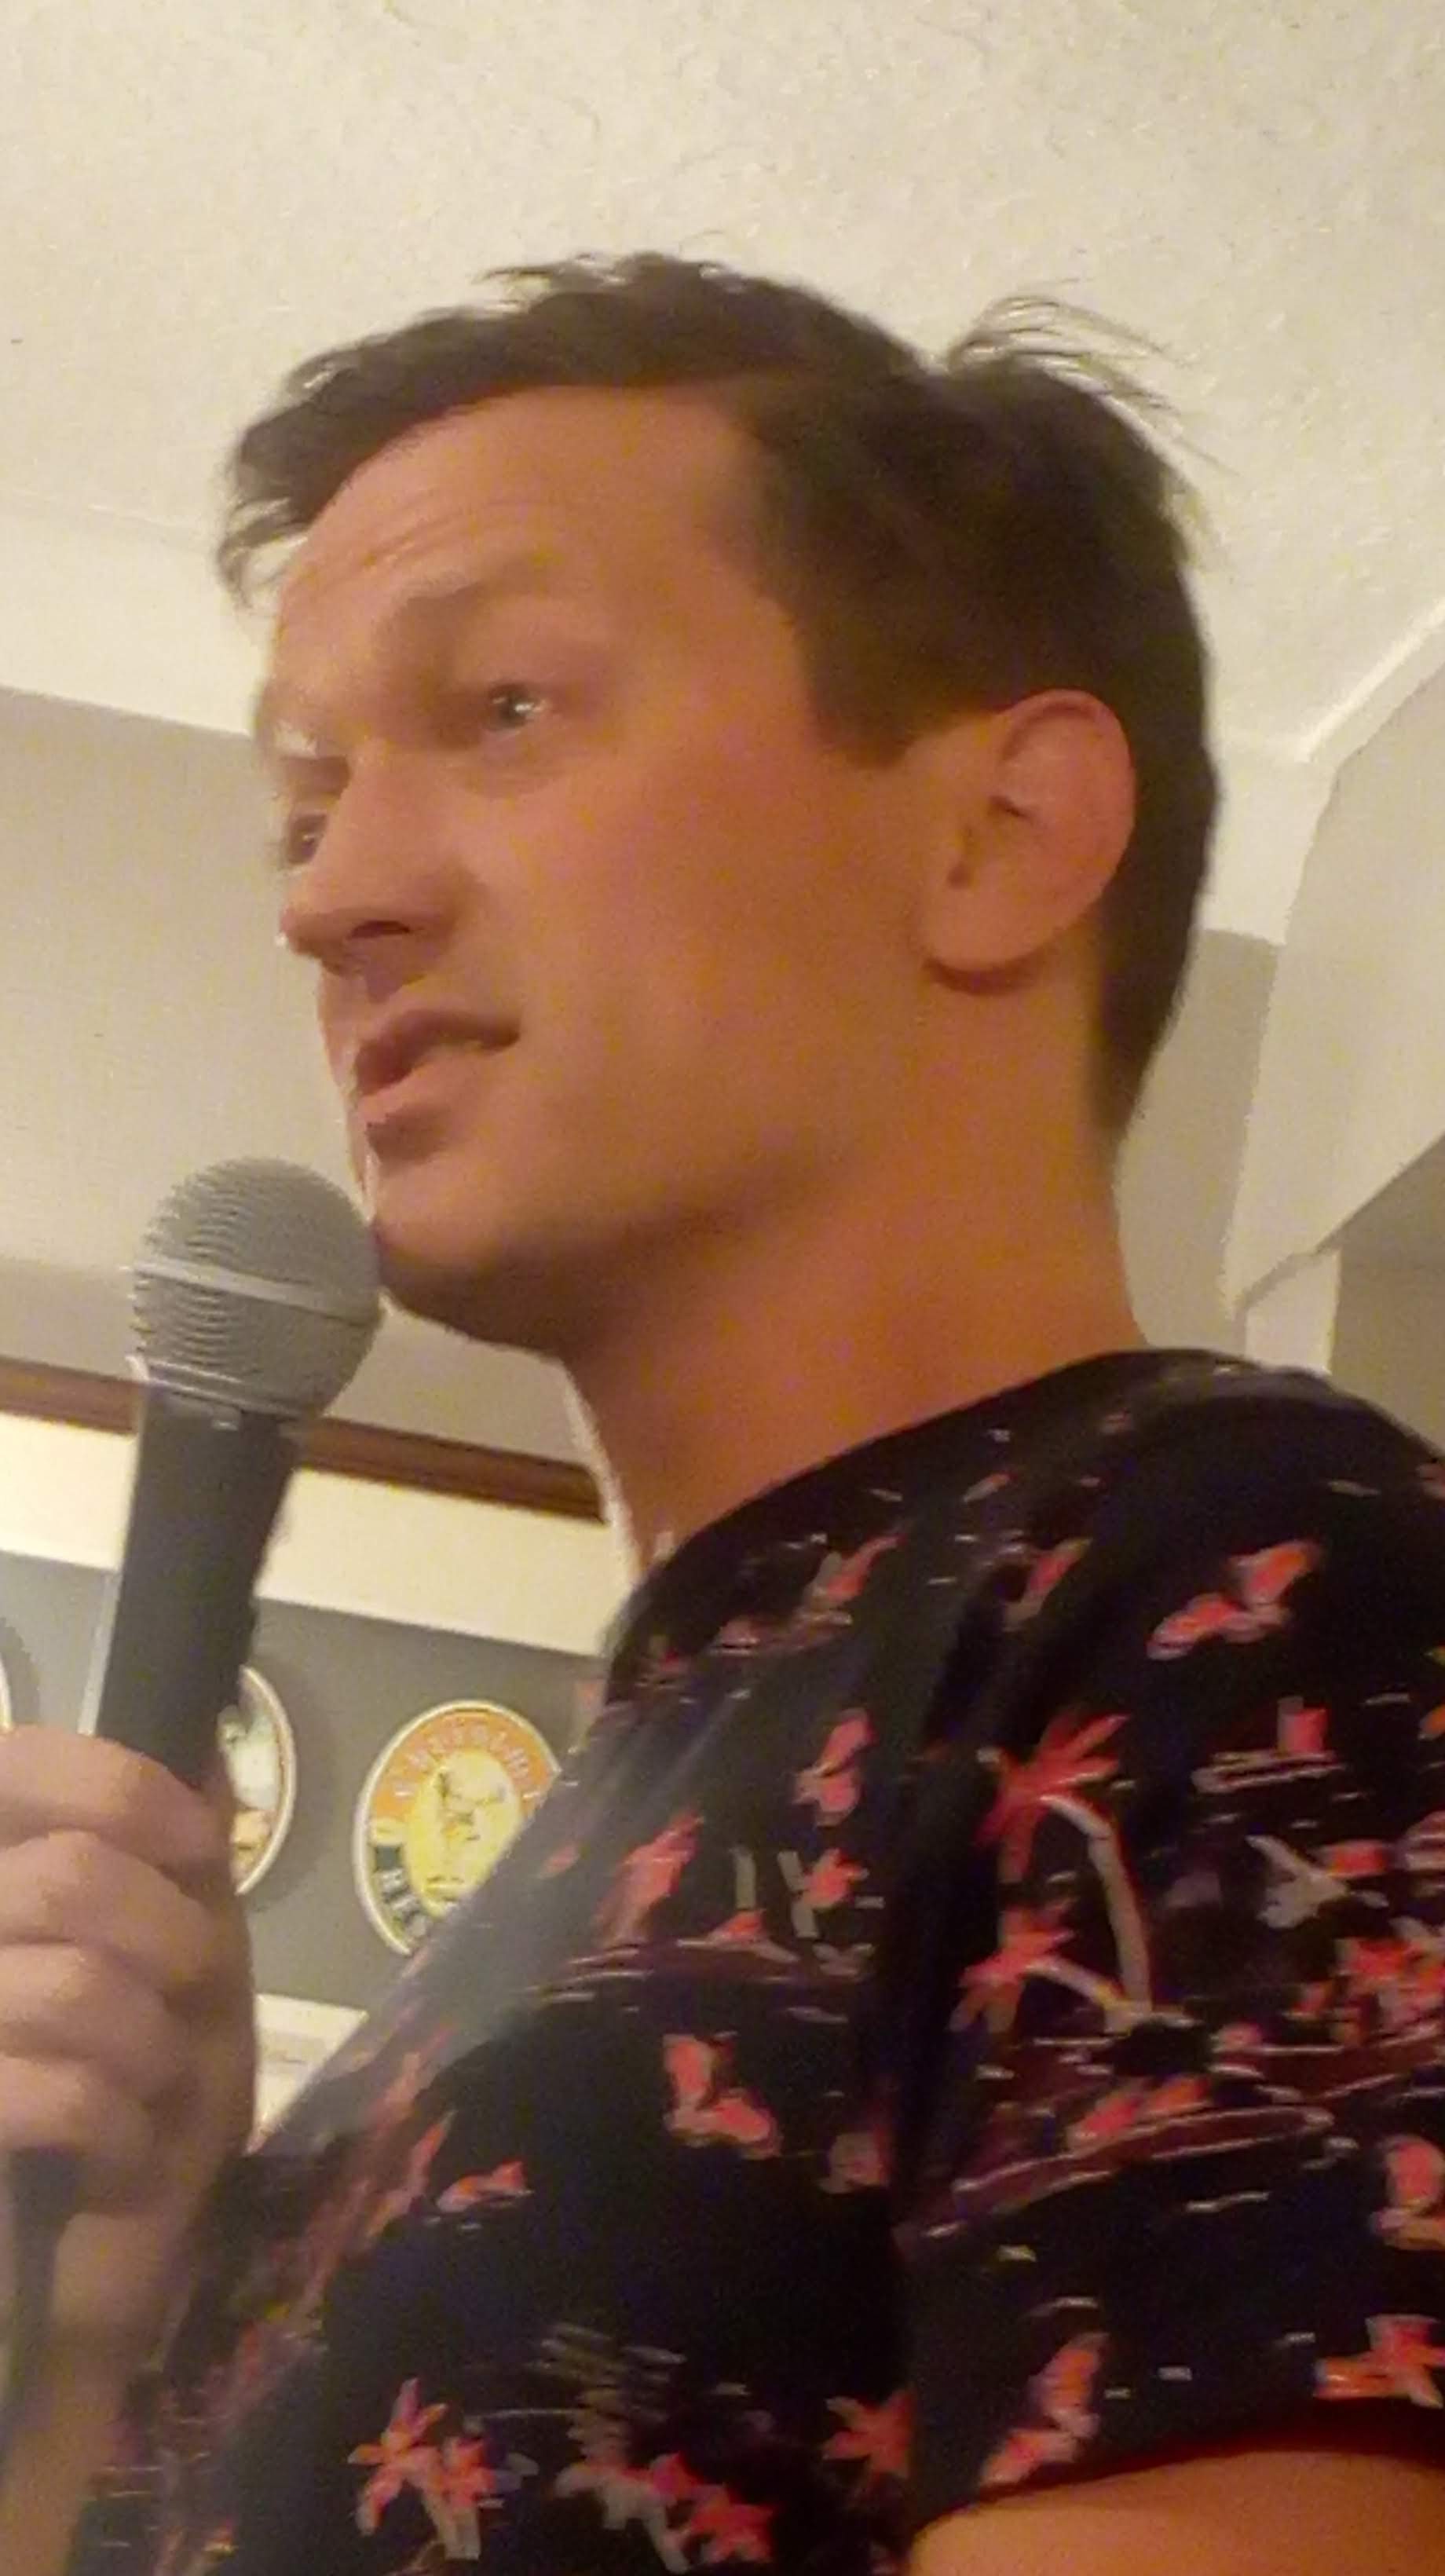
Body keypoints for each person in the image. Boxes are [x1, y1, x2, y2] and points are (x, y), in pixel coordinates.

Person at [1, 253, 1443, 2576]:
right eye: (306, 807)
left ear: (996, 835)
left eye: (502, 708)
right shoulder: (551, 1902)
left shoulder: (1251, 1585)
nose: (331, 899)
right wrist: (92, 2354)